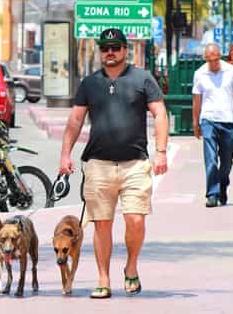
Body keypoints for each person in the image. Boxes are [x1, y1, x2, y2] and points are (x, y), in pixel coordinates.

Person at [59, 28, 168, 299]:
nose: (110, 52)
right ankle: (103, 278)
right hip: (98, 164)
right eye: (105, 48)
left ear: (124, 50)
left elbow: (160, 113)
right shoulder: (90, 83)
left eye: (115, 47)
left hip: (135, 164)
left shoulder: (142, 79)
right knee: (102, 224)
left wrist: (162, 151)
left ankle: (131, 266)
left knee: (135, 221)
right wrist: (65, 155)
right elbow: (75, 121)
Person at [192, 43, 233, 208]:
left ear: (220, 56)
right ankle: (212, 194)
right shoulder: (200, 73)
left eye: (216, 60)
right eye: (210, 61)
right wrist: (196, 122)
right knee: (210, 159)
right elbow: (196, 100)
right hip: (208, 119)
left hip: (228, 120)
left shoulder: (231, 71)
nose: (214, 63)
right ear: (206, 59)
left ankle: (223, 185)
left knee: (226, 161)